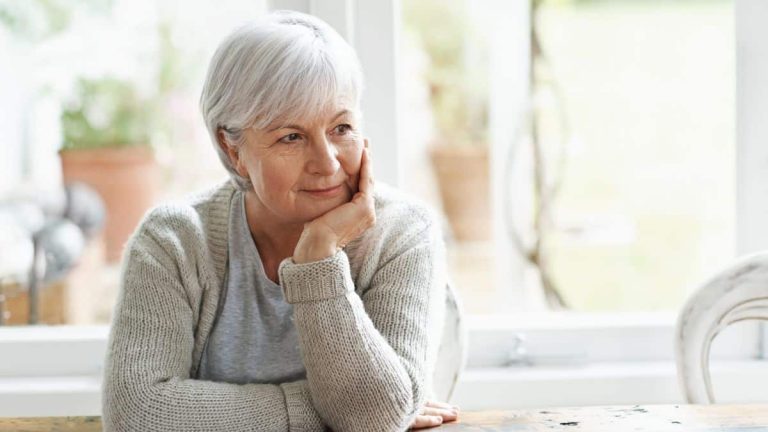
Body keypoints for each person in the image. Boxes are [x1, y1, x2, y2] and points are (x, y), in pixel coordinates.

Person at [102, 10, 460, 432]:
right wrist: (324, 412)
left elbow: (374, 420)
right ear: (232, 149)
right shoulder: (173, 241)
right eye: (291, 136)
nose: (326, 163)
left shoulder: (403, 232)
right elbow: (137, 414)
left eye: (341, 127)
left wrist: (318, 259)